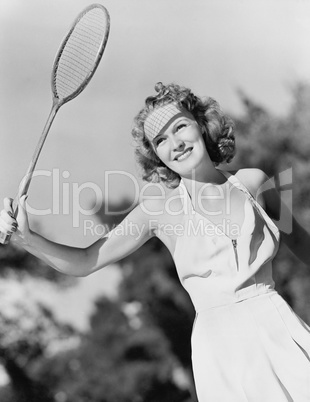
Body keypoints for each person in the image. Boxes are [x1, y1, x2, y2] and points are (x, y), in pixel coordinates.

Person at [1, 82, 310, 401]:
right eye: (161, 140)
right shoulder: (156, 210)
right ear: (155, 154)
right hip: (221, 353)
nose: (175, 143)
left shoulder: (254, 183)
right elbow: (83, 261)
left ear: (202, 126)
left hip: (279, 330)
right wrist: (28, 239)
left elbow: (301, 243)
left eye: (180, 127)